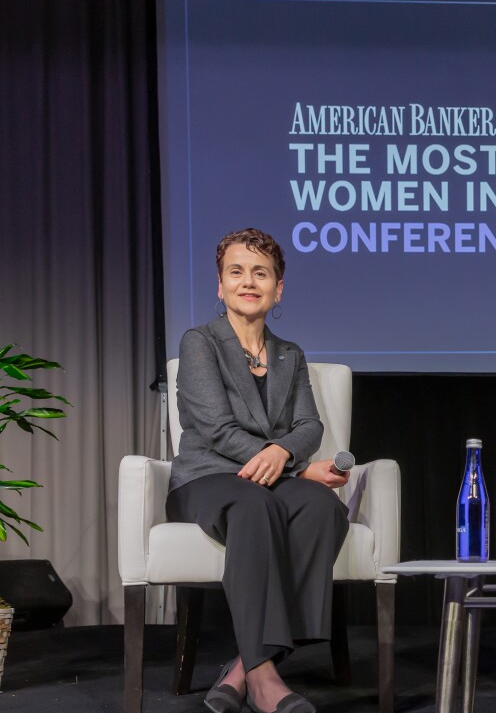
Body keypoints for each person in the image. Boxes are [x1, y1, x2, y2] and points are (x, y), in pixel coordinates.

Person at [167, 228, 351, 713]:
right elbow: (215, 428)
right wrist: (290, 465)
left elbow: (310, 425)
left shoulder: (290, 353)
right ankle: (267, 680)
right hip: (207, 478)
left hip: (271, 479)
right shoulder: (199, 343)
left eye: (261, 273)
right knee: (253, 505)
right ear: (220, 284)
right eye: (237, 272)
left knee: (322, 508)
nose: (249, 282)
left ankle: (242, 667)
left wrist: (290, 462)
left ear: (278, 287)